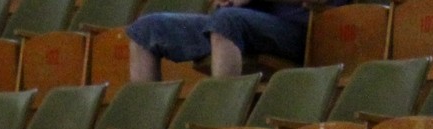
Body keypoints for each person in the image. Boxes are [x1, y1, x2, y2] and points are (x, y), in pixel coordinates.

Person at [128, 0, 349, 82]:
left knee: (226, 22)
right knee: (145, 29)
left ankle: (222, 126)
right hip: (243, 20)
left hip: (303, 29)